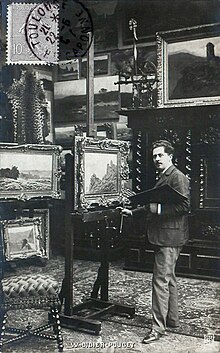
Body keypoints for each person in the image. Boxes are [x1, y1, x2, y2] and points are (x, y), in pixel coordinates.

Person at [121, 140, 190, 344]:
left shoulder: (177, 177)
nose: (156, 159)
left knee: (160, 281)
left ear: (170, 156)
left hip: (169, 237)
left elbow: (185, 206)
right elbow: (154, 203)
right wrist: (132, 212)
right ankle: (172, 320)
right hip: (169, 235)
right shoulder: (165, 177)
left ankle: (157, 329)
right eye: (154, 156)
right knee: (169, 278)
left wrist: (157, 210)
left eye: (160, 155)